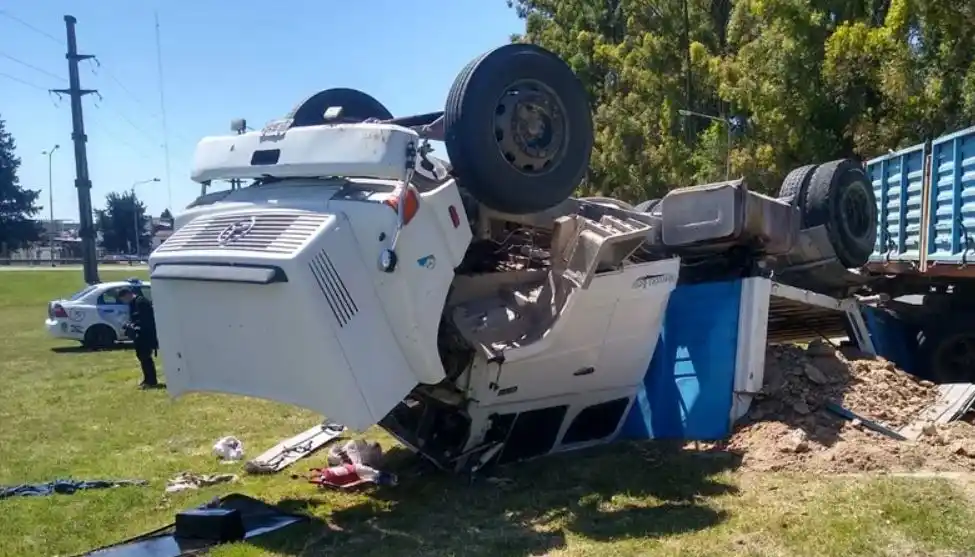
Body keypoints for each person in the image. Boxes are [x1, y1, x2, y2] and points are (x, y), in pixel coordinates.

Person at [118, 287, 159, 389]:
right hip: (139, 335)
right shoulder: (132, 303)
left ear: (127, 294)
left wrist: (136, 326)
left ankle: (151, 380)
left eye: (123, 299)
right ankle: (147, 379)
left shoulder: (141, 302)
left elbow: (146, 319)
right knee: (141, 356)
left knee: (146, 357)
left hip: (146, 335)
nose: (124, 301)